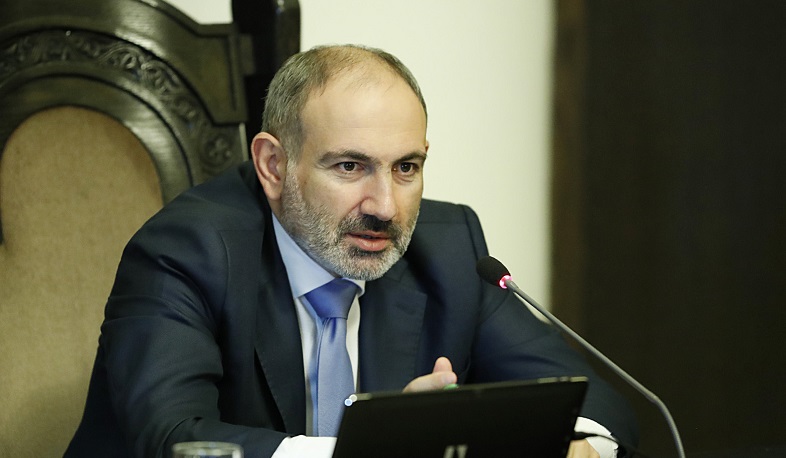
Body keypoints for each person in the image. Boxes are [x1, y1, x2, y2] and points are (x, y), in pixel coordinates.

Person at [66, 44, 637, 458]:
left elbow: (595, 404)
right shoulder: (186, 251)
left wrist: (576, 444)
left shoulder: (449, 247)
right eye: (349, 166)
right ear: (273, 165)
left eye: (406, 167)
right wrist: (382, 446)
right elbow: (176, 440)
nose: (385, 207)